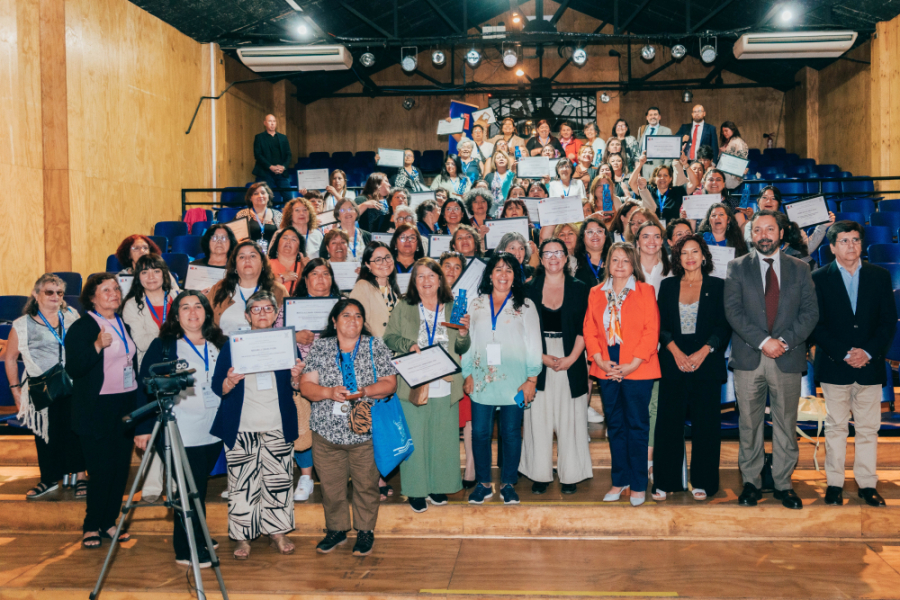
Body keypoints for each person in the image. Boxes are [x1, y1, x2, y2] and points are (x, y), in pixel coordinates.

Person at [724, 210, 818, 510]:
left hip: (787, 357)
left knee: (785, 424)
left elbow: (810, 314)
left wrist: (784, 342)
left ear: (780, 233)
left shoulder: (800, 269)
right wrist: (764, 341)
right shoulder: (736, 267)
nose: (763, 235)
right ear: (751, 235)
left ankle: (783, 483)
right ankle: (751, 483)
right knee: (749, 425)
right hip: (750, 356)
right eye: (758, 230)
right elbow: (733, 311)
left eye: (770, 230)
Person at [299, 298, 398, 556]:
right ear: (334, 320)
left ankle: (365, 532)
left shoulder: (374, 345)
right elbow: (306, 386)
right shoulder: (321, 347)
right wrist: (329, 392)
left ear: (363, 321)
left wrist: (364, 391)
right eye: (346, 315)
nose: (352, 320)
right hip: (326, 431)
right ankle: (337, 530)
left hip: (365, 431)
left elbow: (390, 383)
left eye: (357, 316)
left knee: (366, 485)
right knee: (331, 487)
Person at [135, 291, 227, 567]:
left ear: (207, 313)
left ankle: (197, 534)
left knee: (197, 485)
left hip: (213, 427)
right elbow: (145, 387)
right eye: (185, 307)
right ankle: (186, 548)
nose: (192, 312)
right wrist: (143, 427)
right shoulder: (164, 345)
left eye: (198, 306)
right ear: (176, 316)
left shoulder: (219, 343)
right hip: (178, 428)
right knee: (188, 487)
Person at [210, 290, 302, 559]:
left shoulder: (287, 342)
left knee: (279, 481)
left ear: (275, 314)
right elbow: (219, 385)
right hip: (241, 425)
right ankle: (242, 537)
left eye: (268, 309)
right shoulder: (233, 344)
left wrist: (297, 377)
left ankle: (277, 532)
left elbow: (295, 386)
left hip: (277, 423)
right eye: (256, 309)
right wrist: (229, 381)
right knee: (241, 484)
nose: (262, 313)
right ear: (247, 315)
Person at [812, 221, 897, 508]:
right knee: (836, 427)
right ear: (832, 247)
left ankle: (867, 484)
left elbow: (887, 323)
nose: (851, 246)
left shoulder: (880, 276)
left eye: (856, 240)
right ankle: (834, 484)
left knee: (868, 428)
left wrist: (868, 352)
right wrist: (845, 353)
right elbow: (817, 325)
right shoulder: (819, 278)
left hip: (869, 365)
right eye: (844, 241)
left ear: (862, 244)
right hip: (836, 364)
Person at [383, 259, 471, 511]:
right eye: (420, 276)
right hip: (415, 380)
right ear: (414, 282)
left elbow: (462, 346)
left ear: (440, 279)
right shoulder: (405, 306)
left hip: (445, 380)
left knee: (442, 437)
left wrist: (464, 334)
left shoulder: (454, 307)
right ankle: (416, 490)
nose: (426, 281)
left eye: (431, 275)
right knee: (416, 437)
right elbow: (389, 337)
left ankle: (438, 486)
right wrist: (408, 346)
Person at [653, 235, 730, 501]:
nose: (689, 256)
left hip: (706, 363)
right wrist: (675, 352)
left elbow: (723, 326)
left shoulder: (718, 285)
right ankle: (665, 480)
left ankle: (704, 481)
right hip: (673, 362)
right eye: (684, 252)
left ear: (704, 255)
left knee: (706, 425)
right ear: (677, 258)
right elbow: (660, 326)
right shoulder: (668, 285)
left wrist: (703, 352)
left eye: (694, 251)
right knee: (668, 424)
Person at [583, 242, 660, 507]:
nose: (619, 265)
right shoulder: (595, 292)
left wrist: (634, 363)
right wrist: (600, 361)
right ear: (607, 263)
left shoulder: (645, 290)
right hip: (606, 367)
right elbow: (590, 329)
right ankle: (620, 480)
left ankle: (638, 483)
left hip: (637, 367)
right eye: (614, 260)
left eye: (625, 261)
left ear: (633, 265)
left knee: (637, 426)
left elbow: (652, 330)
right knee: (615, 426)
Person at [462, 252, 542, 505]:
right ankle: (483, 483)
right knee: (481, 433)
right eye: (498, 269)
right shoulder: (475, 304)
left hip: (515, 380)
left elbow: (534, 344)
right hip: (482, 378)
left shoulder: (526, 305)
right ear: (489, 274)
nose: (503, 275)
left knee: (510, 433)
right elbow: (468, 342)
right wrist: (467, 374)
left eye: (509, 270)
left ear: (515, 276)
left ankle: (508, 483)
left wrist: (532, 379)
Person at [65, 273, 138, 548]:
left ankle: (110, 521)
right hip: (96, 408)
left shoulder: (123, 324)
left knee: (120, 469)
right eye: (106, 290)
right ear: (92, 297)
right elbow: (74, 367)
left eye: (116, 289)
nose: (114, 294)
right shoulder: (83, 327)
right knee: (101, 469)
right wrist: (96, 346)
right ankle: (91, 525)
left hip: (125, 404)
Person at [521, 239, 592, 494]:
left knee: (570, 416)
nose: (553, 257)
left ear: (566, 258)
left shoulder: (581, 288)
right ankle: (540, 474)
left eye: (558, 253)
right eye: (547, 253)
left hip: (571, 355)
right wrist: (542, 357)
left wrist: (572, 358)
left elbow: (588, 327)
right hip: (537, 356)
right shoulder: (529, 289)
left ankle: (570, 474)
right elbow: (522, 331)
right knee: (538, 416)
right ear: (541, 259)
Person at [6, 274, 85, 500]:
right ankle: (49, 479)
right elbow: (11, 358)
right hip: (41, 386)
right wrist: (16, 392)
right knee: (46, 434)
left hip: (72, 382)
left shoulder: (72, 316)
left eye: (59, 292)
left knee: (76, 431)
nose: (55, 296)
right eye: (49, 292)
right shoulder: (22, 324)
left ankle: (81, 477)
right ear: (36, 294)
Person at [284, 258, 343, 502]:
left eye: (326, 274)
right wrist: (294, 336)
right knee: (303, 426)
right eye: (314, 274)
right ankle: (306, 477)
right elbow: (274, 339)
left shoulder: (342, 306)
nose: (321, 279)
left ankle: (338, 477)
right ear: (305, 280)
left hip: (337, 376)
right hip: (303, 377)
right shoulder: (291, 307)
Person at [206, 240, 288, 335]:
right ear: (235, 266)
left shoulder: (278, 290)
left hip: (265, 346)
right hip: (225, 347)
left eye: (252, 256)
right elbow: (205, 322)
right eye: (241, 257)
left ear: (262, 263)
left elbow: (288, 325)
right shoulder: (219, 288)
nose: (247, 260)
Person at [121, 254, 178, 368]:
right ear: (138, 277)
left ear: (164, 274)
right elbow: (142, 343)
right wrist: (174, 331)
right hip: (152, 364)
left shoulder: (179, 298)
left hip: (182, 358)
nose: (151, 277)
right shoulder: (132, 305)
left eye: (156, 271)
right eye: (144, 272)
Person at [350, 242, 400, 339]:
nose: (385, 262)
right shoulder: (362, 286)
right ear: (368, 264)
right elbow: (356, 323)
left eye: (388, 257)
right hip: (374, 348)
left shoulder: (392, 286)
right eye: (378, 260)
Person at [252, 114, 292, 204]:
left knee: (289, 197)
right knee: (265, 198)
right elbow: (258, 155)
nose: (272, 123)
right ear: (265, 123)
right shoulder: (259, 137)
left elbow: (288, 154)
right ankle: (268, 216)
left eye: (274, 121)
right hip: (265, 173)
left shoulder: (283, 137)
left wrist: (283, 167)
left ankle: (287, 217)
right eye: (270, 121)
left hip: (281, 173)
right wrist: (270, 167)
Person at [631, 157, 687, 221]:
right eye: (659, 175)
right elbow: (632, 183)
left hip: (671, 229)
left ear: (671, 178)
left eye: (665, 175)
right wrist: (640, 164)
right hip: (652, 228)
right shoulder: (648, 190)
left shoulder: (677, 191)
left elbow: (694, 184)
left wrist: (686, 165)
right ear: (654, 178)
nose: (662, 178)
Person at [236, 182, 283, 254]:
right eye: (255, 193)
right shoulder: (242, 215)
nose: (260, 196)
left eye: (263, 193)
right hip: (248, 255)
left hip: (274, 257)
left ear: (268, 196)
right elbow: (235, 237)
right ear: (250, 198)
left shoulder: (278, 215)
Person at [574, 216, 612, 288]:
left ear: (605, 236)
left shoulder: (615, 260)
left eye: (599, 231)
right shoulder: (573, 261)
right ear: (582, 237)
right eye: (590, 232)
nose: (595, 235)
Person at [267, 227, 306, 296]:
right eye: (285, 238)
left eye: (293, 239)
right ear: (277, 243)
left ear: (299, 248)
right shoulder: (266, 264)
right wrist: (279, 279)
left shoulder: (305, 266)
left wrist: (303, 269)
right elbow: (259, 288)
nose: (288, 241)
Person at [636, 107, 673, 179]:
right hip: (644, 166)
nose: (653, 117)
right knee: (644, 188)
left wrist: (665, 168)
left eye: (655, 114)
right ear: (647, 117)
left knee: (657, 187)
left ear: (659, 117)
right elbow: (638, 148)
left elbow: (669, 152)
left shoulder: (666, 131)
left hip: (659, 166)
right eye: (650, 115)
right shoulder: (641, 129)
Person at [718, 121, 749, 188]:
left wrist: (725, 151)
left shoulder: (739, 142)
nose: (724, 133)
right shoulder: (726, 142)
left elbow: (742, 160)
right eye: (723, 131)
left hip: (734, 176)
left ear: (732, 129)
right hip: (724, 174)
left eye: (726, 131)